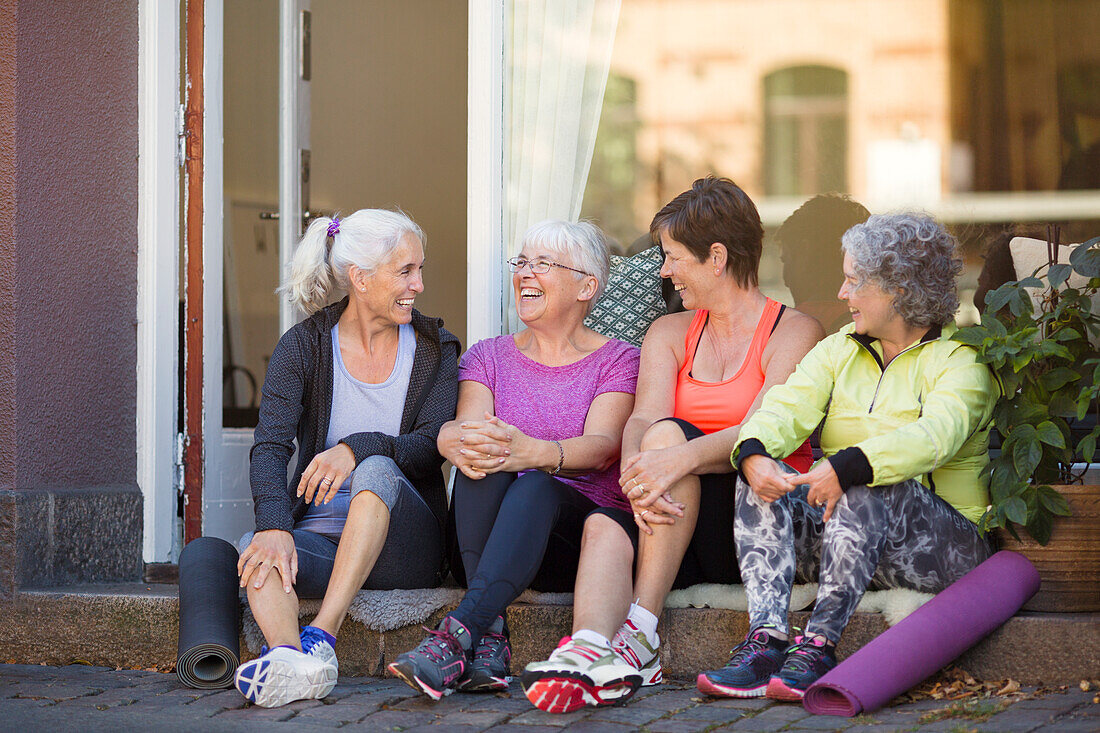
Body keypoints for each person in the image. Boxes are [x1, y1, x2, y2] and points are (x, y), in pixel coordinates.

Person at [522, 176, 824, 712]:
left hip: (754, 532)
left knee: (671, 440)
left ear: (716, 257)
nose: (662, 271)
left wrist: (671, 459)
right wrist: (642, 472)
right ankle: (589, 651)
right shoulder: (668, 332)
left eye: (671, 257)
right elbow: (640, 421)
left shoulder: (794, 331)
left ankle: (640, 633)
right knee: (604, 518)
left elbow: (763, 430)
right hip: (669, 521)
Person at [698, 213, 998, 701]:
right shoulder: (839, 349)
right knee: (757, 481)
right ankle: (766, 641)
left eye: (854, 281)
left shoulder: (960, 362)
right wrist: (753, 454)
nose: (842, 293)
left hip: (941, 549)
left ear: (898, 288)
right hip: (848, 539)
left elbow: (935, 437)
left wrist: (848, 466)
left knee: (865, 483)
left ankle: (817, 646)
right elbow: (785, 408)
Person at [387, 220, 641, 700]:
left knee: (534, 483)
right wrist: (462, 439)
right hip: (484, 545)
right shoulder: (486, 357)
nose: (525, 274)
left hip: (569, 546)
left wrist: (537, 454)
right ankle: (490, 640)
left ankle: (458, 635)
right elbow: (475, 438)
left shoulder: (619, 359)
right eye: (521, 262)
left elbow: (605, 443)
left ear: (587, 286)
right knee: (480, 465)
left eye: (543, 264)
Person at [232, 209, 460, 708]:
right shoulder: (304, 346)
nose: (418, 285)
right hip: (324, 540)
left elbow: (428, 448)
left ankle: (323, 637)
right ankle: (292, 661)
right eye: (405, 271)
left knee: (376, 469)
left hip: (403, 548)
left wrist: (356, 447)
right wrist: (274, 524)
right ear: (360, 278)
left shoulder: (436, 348)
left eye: (420, 270)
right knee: (259, 546)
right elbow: (271, 446)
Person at [775, 193, 871, 335]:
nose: (785, 280)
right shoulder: (887, 328)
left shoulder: (782, 331)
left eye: (786, 261)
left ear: (804, 252)